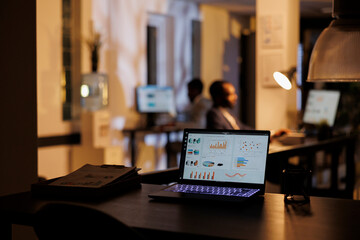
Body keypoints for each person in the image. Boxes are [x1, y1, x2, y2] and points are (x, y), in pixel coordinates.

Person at [206, 80, 290, 139]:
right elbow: (222, 139)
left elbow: (244, 129)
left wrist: (272, 133)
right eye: (230, 94)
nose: (235, 97)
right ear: (218, 97)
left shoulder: (227, 113)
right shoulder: (214, 114)